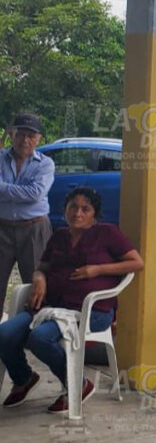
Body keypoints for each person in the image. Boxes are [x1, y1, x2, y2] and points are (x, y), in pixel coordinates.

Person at [0, 187, 144, 412]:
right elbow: (42, 268)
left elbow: (137, 263)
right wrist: (39, 279)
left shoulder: (107, 233)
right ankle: (24, 378)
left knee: (40, 338)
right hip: (51, 307)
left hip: (91, 312)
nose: (78, 213)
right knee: (5, 333)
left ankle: (77, 384)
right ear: (65, 210)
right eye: (73, 207)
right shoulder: (59, 236)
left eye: (85, 209)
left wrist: (97, 270)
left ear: (94, 214)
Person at [0, 113, 55, 311]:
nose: (25, 140)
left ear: (39, 139)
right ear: (12, 135)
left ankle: (32, 331)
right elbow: (29, 193)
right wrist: (19, 192)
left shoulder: (46, 164)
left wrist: (3, 188)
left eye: (31, 136)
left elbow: (35, 193)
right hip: (2, 226)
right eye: (20, 134)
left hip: (34, 228)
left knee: (36, 282)